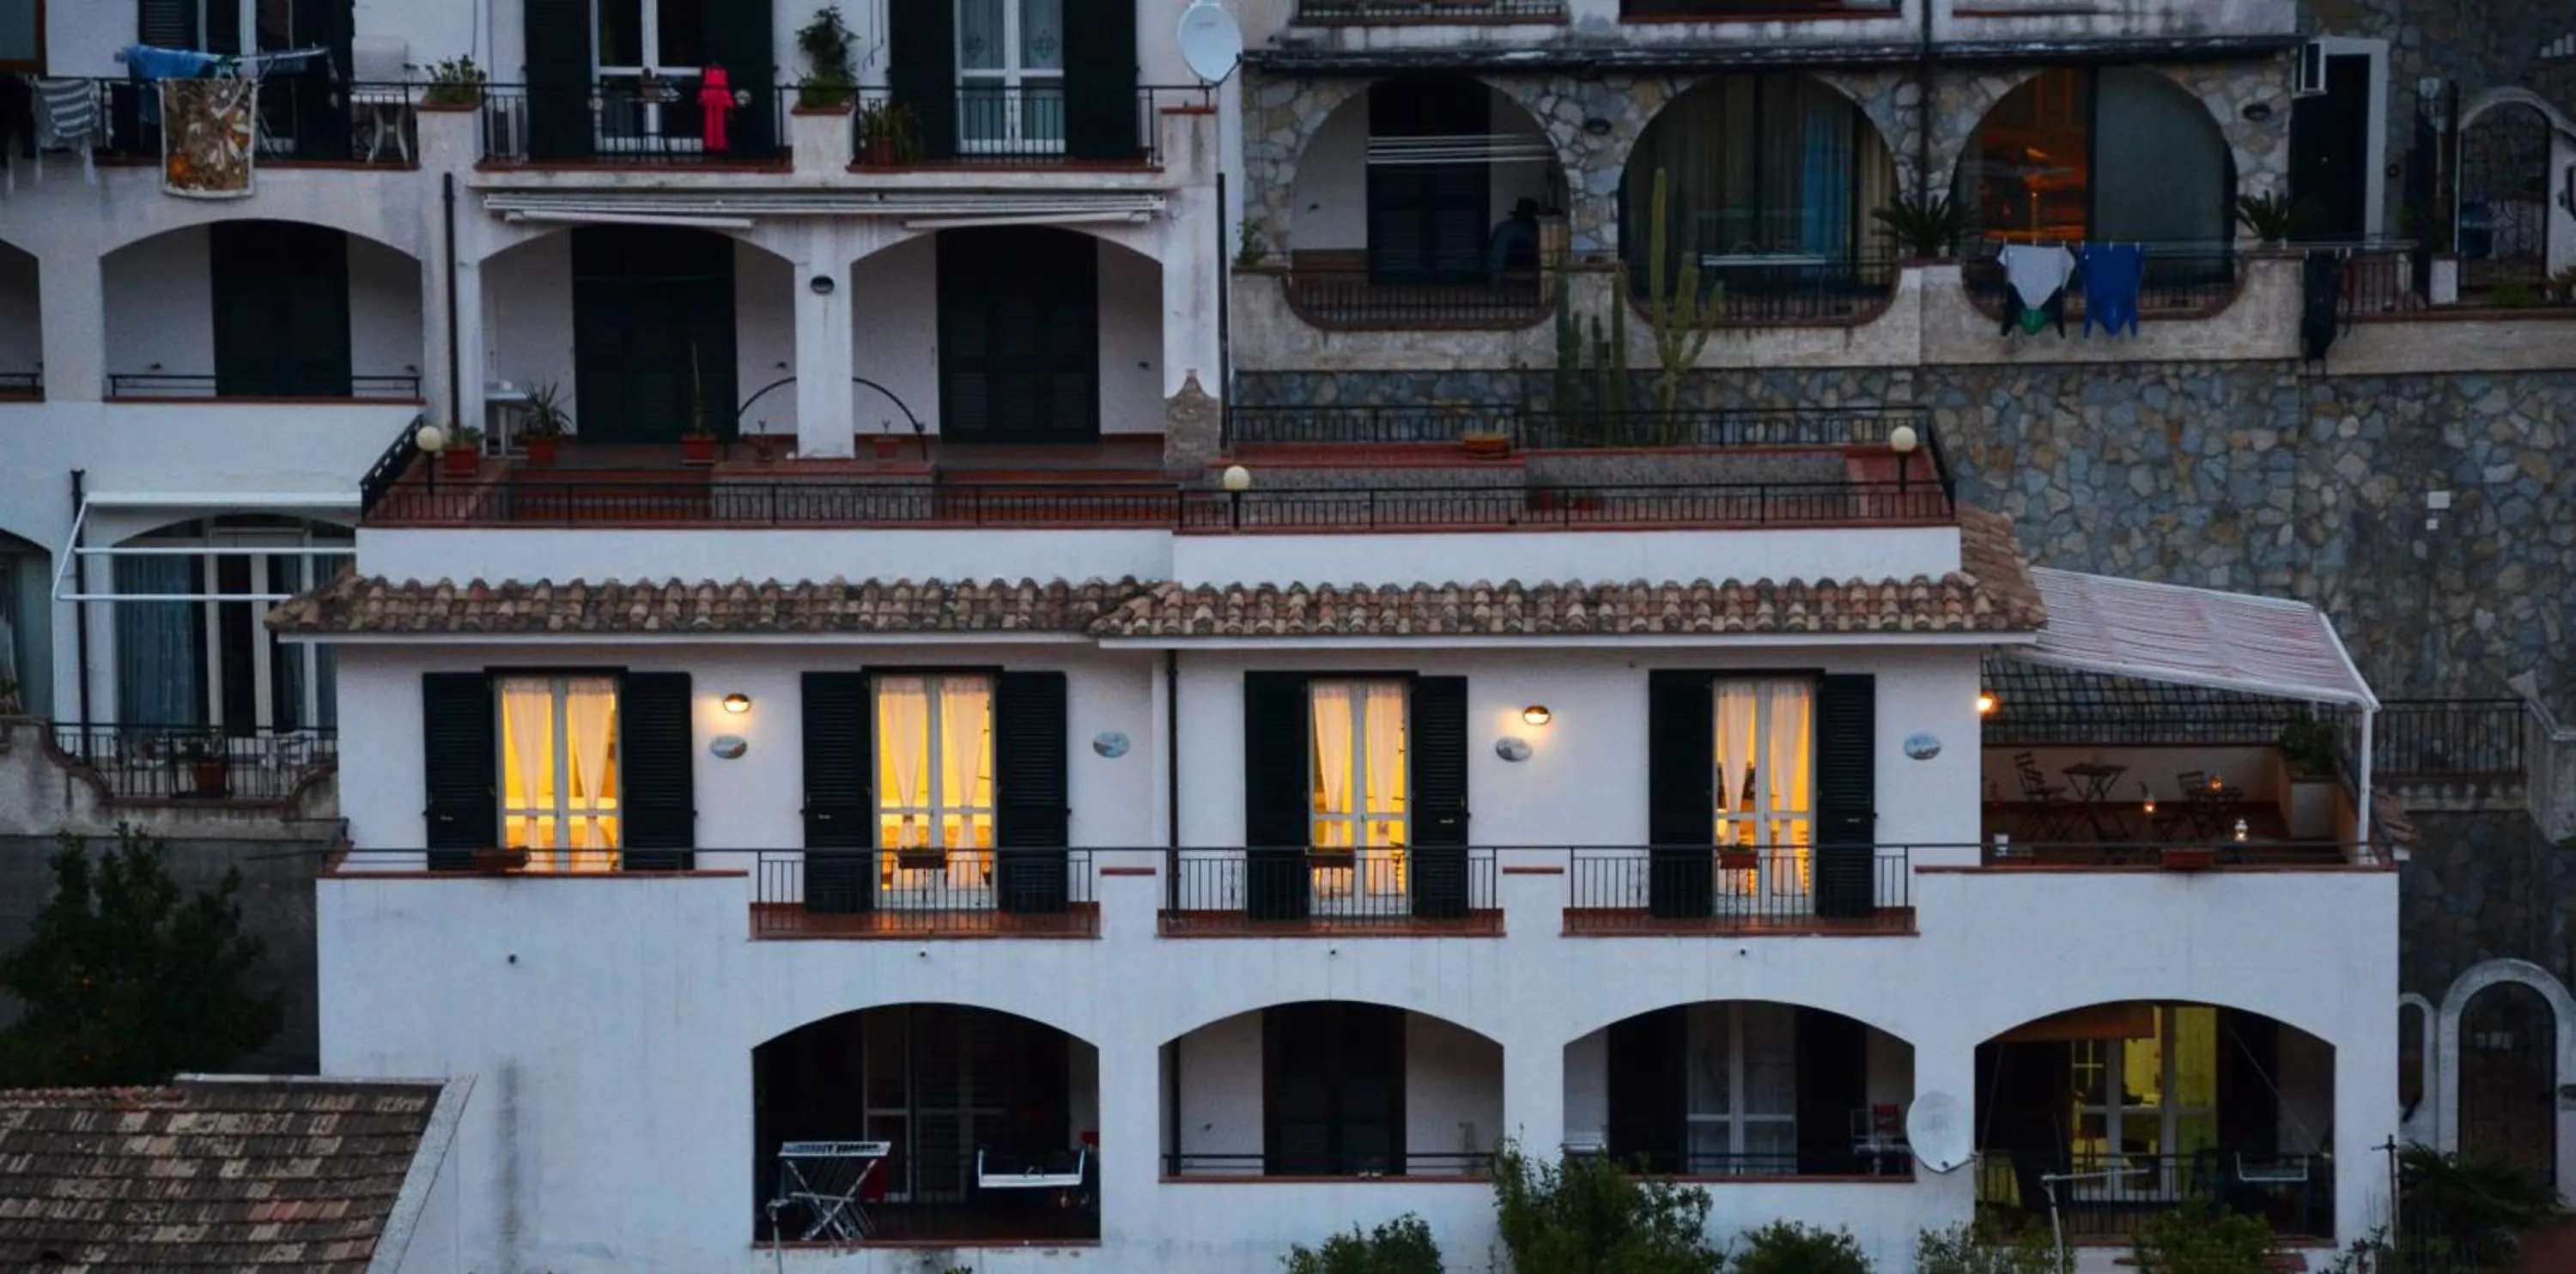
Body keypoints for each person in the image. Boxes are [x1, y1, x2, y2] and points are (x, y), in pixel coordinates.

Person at [1487, 197, 1542, 285]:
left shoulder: (1502, 227)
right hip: (1523, 273)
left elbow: (1494, 252)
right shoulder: (1531, 231)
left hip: (1501, 273)